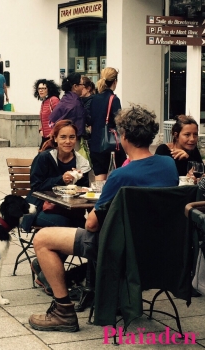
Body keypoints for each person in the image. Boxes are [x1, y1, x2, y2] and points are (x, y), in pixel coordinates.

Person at [28, 104, 179, 333]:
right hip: (157, 247)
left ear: (123, 135)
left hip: (118, 247)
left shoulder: (120, 176)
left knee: (42, 238)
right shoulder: (168, 165)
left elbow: (91, 224)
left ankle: (63, 312)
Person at [22, 120, 91, 295]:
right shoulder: (45, 158)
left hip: (70, 210)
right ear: (55, 138)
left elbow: (84, 189)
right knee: (69, 230)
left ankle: (42, 267)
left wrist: (81, 187)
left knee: (84, 232)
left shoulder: (81, 162)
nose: (68, 141)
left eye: (72, 137)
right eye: (63, 137)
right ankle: (47, 276)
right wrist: (61, 179)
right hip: (41, 208)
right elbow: (36, 187)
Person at [87, 67, 126, 181]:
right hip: (111, 143)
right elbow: (119, 121)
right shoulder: (113, 99)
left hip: (95, 143)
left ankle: (100, 197)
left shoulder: (93, 98)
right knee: (118, 175)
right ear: (115, 82)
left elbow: (89, 119)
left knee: (99, 177)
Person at [49, 73, 87, 143]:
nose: (83, 87)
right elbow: (78, 129)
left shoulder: (65, 98)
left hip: (60, 139)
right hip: (71, 141)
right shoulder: (76, 104)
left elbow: (52, 120)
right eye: (82, 84)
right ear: (75, 86)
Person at [33, 79, 61, 149]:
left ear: (49, 89)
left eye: (43, 88)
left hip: (52, 137)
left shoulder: (54, 100)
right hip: (45, 136)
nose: (40, 90)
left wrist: (53, 132)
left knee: (42, 157)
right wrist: (41, 129)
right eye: (39, 88)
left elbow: (59, 118)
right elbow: (44, 119)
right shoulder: (44, 102)